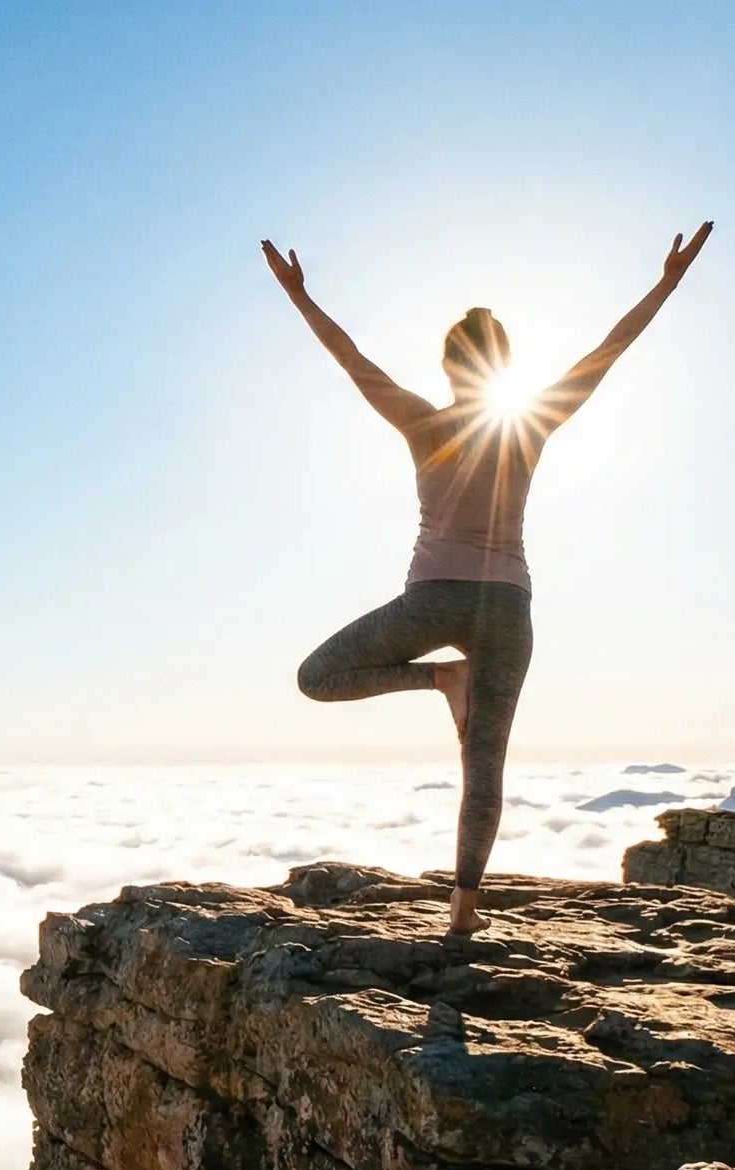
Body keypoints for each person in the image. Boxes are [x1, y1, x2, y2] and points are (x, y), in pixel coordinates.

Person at [263, 222, 711, 935]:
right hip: (508, 606)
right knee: (486, 764)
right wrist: (666, 283)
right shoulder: (531, 424)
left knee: (318, 676)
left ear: (447, 366)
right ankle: (465, 910)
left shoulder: (420, 421)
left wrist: (299, 296)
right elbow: (609, 351)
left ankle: (441, 679)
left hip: (433, 599)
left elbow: (351, 359)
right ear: (504, 365)